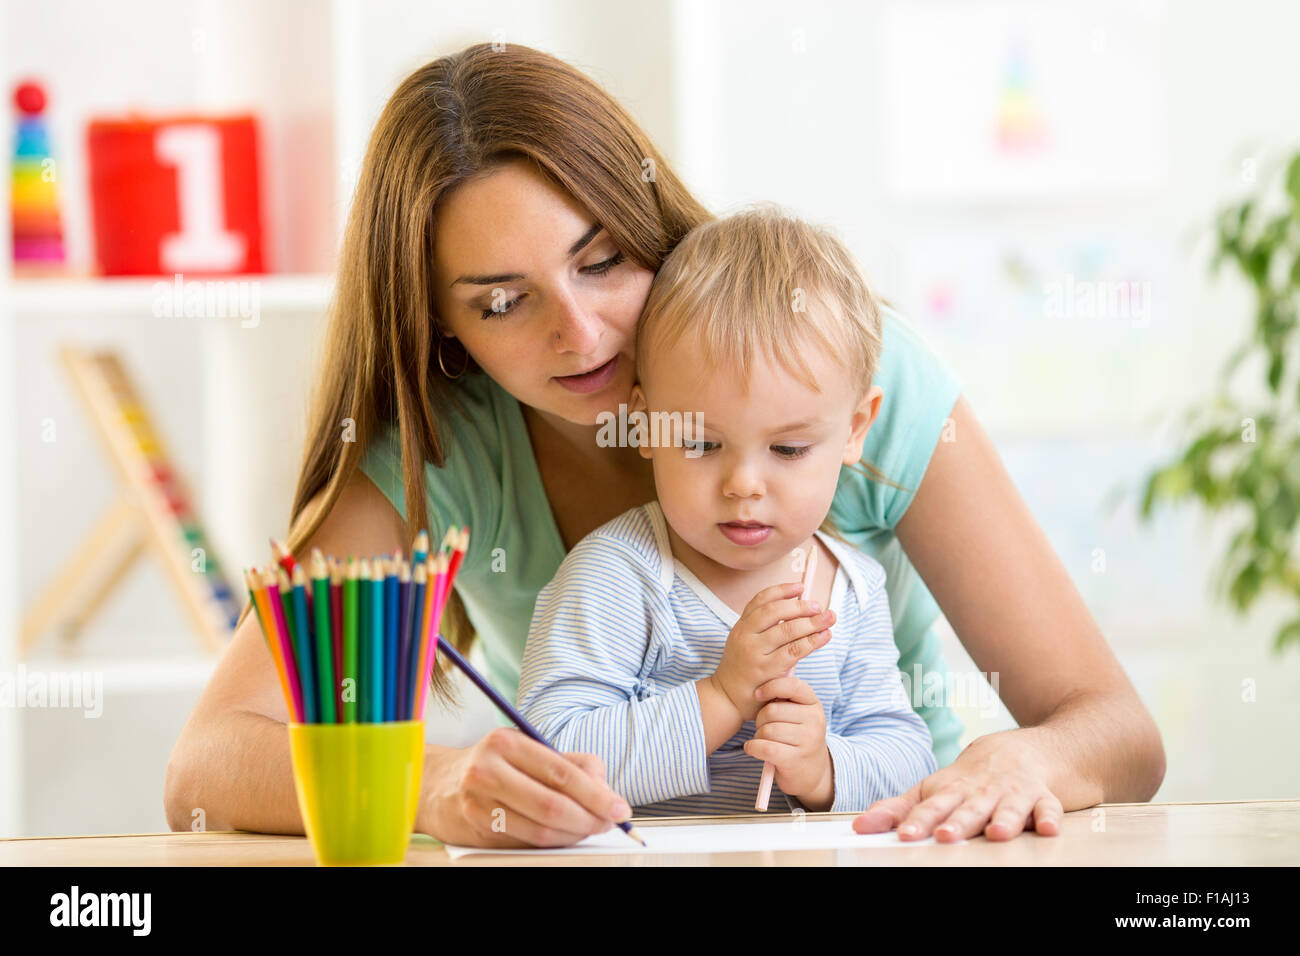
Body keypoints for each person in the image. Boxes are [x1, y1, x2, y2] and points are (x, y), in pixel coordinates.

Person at [165, 43, 1165, 848]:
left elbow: (1113, 727)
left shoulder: (842, 374)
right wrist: (429, 781)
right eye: (504, 301)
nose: (583, 332)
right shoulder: (441, 444)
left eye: (601, 260)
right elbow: (207, 760)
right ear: (442, 331)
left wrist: (1022, 761)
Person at [518, 207, 937, 815]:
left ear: (855, 430)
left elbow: (906, 759)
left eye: (789, 449)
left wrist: (823, 770)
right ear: (643, 423)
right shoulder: (618, 574)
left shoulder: (854, 589)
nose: (743, 485)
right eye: (701, 443)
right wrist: (721, 695)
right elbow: (552, 753)